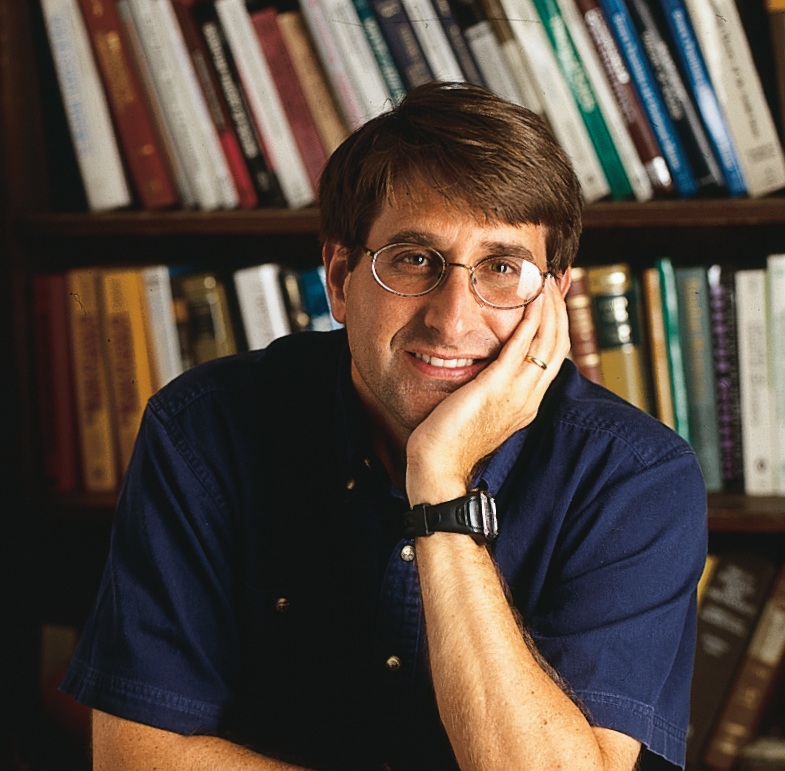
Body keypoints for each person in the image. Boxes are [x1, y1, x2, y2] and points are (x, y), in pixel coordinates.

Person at [62, 81, 707, 770]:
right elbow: (135, 756)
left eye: (500, 267)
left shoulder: (635, 479)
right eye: (412, 259)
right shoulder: (204, 431)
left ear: (553, 297)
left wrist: (438, 485)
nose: (452, 318)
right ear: (340, 277)